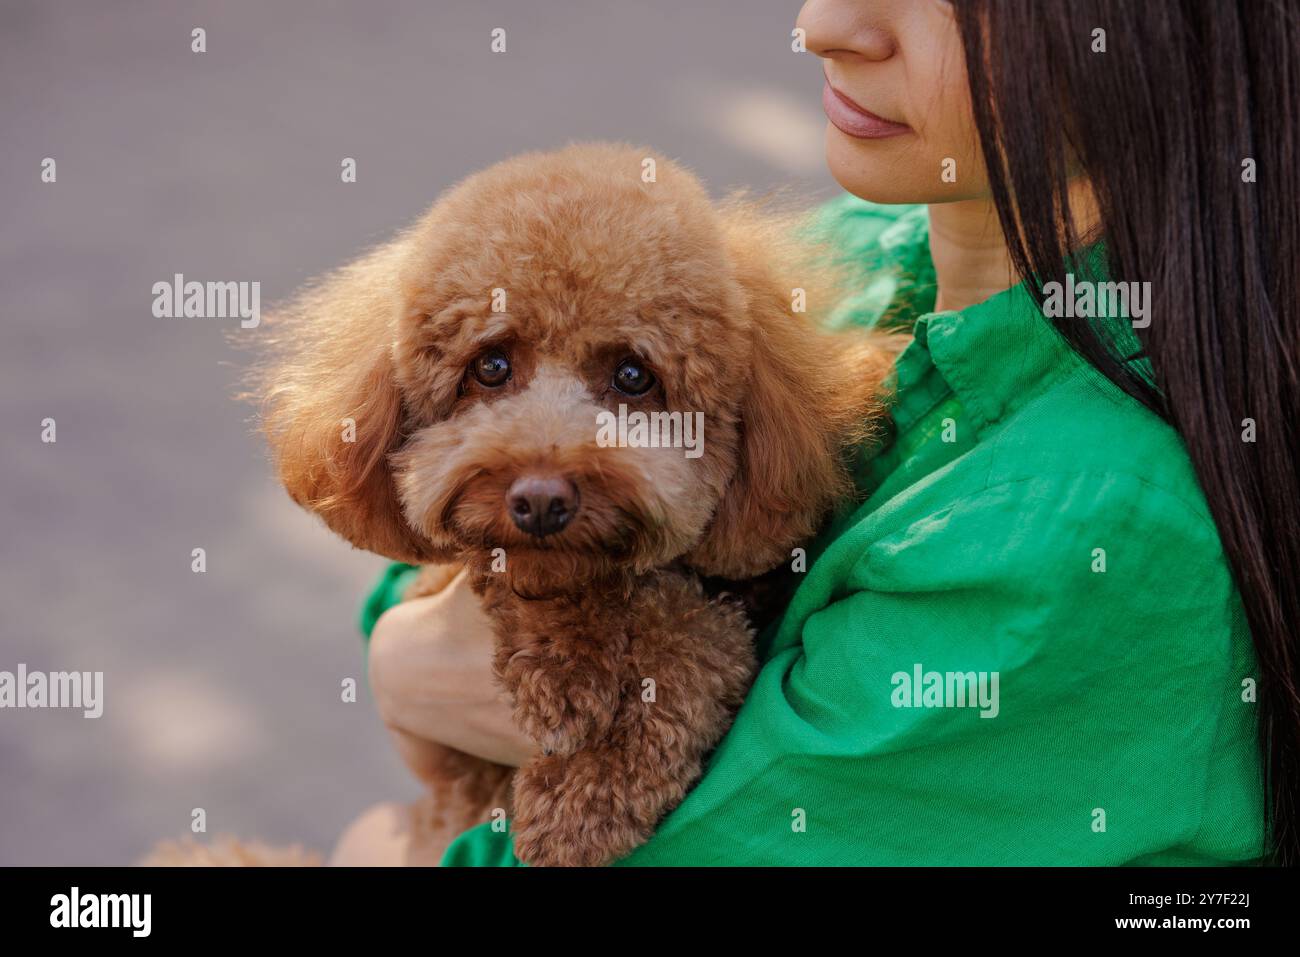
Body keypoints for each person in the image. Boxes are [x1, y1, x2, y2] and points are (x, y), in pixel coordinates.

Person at [333, 0, 1298, 866]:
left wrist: (376, 831)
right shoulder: (863, 251)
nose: (827, 22)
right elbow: (409, 567)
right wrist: (407, 655)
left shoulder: (1084, 528)